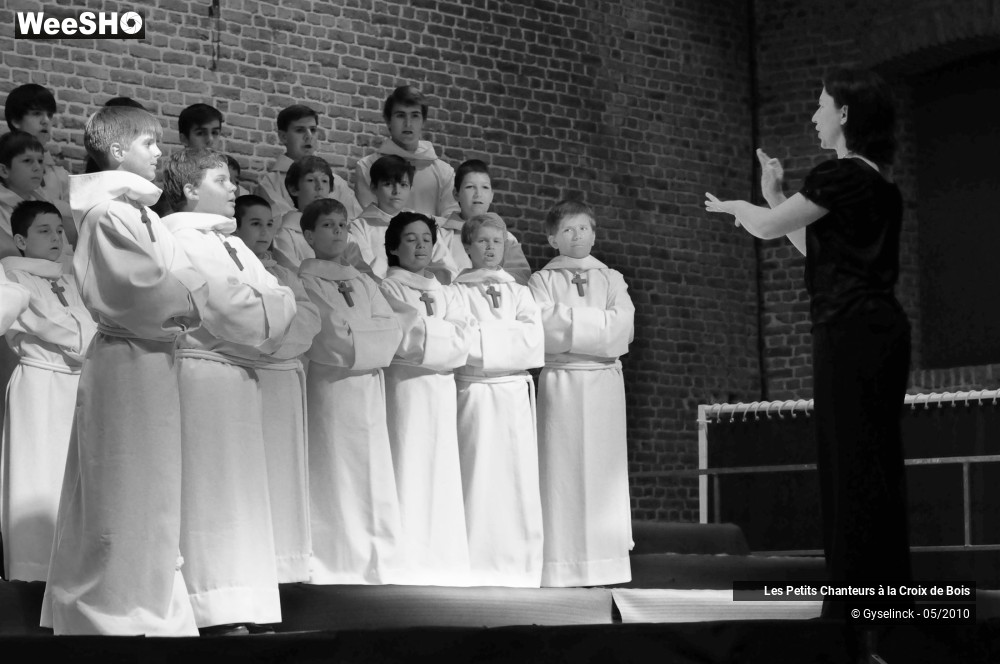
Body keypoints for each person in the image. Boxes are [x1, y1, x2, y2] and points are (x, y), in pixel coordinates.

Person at [705, 68, 910, 662]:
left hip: (849, 334)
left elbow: (770, 231)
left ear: (845, 115)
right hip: (881, 332)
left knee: (848, 469)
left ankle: (851, 623)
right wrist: (771, 198)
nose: (814, 116)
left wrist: (743, 206)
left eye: (821, 106)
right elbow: (812, 247)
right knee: (873, 466)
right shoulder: (878, 185)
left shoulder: (837, 174)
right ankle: (885, 616)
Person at [42, 106, 207, 636]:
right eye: (148, 143)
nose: (160, 153)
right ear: (116, 152)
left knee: (155, 486)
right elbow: (139, 287)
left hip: (154, 358)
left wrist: (186, 293)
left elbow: (175, 274)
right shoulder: (108, 215)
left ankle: (150, 597)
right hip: (125, 360)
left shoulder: (140, 213)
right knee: (123, 483)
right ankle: (110, 605)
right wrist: (194, 299)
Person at [161, 149, 296, 634]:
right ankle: (209, 602)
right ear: (191, 188)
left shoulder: (233, 244)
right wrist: (264, 312)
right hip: (200, 373)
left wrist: (263, 313)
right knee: (208, 489)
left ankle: (245, 600)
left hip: (239, 374)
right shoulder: (179, 238)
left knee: (240, 494)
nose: (234, 187)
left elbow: (284, 301)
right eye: (222, 179)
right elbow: (222, 306)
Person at [528, 199, 635, 587]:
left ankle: (606, 564)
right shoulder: (541, 281)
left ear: (595, 232)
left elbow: (622, 330)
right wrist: (596, 329)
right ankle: (561, 564)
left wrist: (572, 326)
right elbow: (543, 327)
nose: (578, 236)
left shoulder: (612, 279)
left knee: (602, 471)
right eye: (568, 230)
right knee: (561, 471)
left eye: (584, 228)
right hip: (561, 384)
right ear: (552, 237)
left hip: (604, 384)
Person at [298, 198, 405, 584]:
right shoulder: (305, 280)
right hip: (331, 386)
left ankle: (378, 559)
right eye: (328, 225)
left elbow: (392, 332)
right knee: (336, 471)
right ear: (308, 235)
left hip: (368, 388)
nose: (339, 231)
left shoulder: (361, 280)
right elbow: (329, 336)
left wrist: (361, 338)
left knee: (372, 472)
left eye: (343, 225)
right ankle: (337, 559)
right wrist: (366, 339)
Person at [0, 201, 96, 582]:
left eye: (59, 230)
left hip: (78, 386)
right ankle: (33, 575)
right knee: (40, 478)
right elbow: (72, 330)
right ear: (20, 240)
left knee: (75, 483)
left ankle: (76, 578)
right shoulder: (13, 278)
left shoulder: (71, 278)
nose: (56, 237)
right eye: (44, 231)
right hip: (41, 387)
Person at [450, 213, 545, 586]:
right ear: (468, 246)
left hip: (512, 394)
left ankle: (517, 564)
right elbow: (461, 341)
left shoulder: (521, 292)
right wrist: (507, 337)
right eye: (483, 241)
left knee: (515, 479)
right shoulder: (456, 291)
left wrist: (487, 337)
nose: (491, 248)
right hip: (473, 392)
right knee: (476, 474)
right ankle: (476, 562)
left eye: (497, 241)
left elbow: (533, 343)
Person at [379, 211, 472, 585]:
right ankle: (409, 560)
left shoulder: (447, 291)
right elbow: (402, 336)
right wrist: (442, 337)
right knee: (409, 466)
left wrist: (434, 339)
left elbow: (465, 341)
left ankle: (442, 560)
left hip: (441, 387)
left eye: (426, 239)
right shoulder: (389, 288)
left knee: (442, 470)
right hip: (406, 387)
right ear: (393, 247)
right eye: (411, 239)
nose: (420, 246)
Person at [233, 193, 321, 584]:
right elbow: (238, 321)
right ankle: (252, 556)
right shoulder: (232, 268)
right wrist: (267, 341)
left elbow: (309, 320)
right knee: (252, 472)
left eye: (270, 224)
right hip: (247, 377)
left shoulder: (284, 273)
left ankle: (287, 558)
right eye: (255, 223)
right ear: (235, 226)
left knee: (284, 468)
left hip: (283, 375)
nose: (266, 232)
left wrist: (277, 343)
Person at [354, 86, 459, 218]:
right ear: (388, 121)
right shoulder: (367, 167)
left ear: (423, 121)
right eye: (400, 115)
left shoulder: (444, 172)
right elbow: (370, 220)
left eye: (415, 116)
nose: (408, 123)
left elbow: (450, 222)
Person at [351, 154, 458, 283]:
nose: (397, 191)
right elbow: (365, 272)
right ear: (373, 187)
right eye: (388, 184)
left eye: (403, 185)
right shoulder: (359, 227)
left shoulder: (422, 223)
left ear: (411, 188)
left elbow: (447, 269)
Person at [255, 104, 360, 222]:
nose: (309, 136)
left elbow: (355, 223)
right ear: (283, 137)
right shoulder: (269, 184)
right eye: (300, 130)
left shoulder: (338, 183)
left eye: (313, 130)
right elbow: (281, 225)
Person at [437, 160, 531, 285]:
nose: (478, 194)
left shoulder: (506, 238)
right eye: (470, 187)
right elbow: (441, 274)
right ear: (456, 194)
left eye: (485, 187)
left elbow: (520, 277)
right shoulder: (441, 236)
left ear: (491, 195)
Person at [3, 84, 73, 244]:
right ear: (15, 120)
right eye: (36, 114)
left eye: (49, 115)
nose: (46, 121)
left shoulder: (60, 176)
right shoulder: (4, 166)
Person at [271, 155, 339, 269]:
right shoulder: (285, 233)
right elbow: (290, 271)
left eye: (324, 181)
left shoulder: (340, 230)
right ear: (294, 189)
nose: (319, 187)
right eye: (311, 180)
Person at [0, 131, 47, 259]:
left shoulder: (42, 200)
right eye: (27, 160)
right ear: (4, 170)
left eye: (40, 161)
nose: (37, 167)